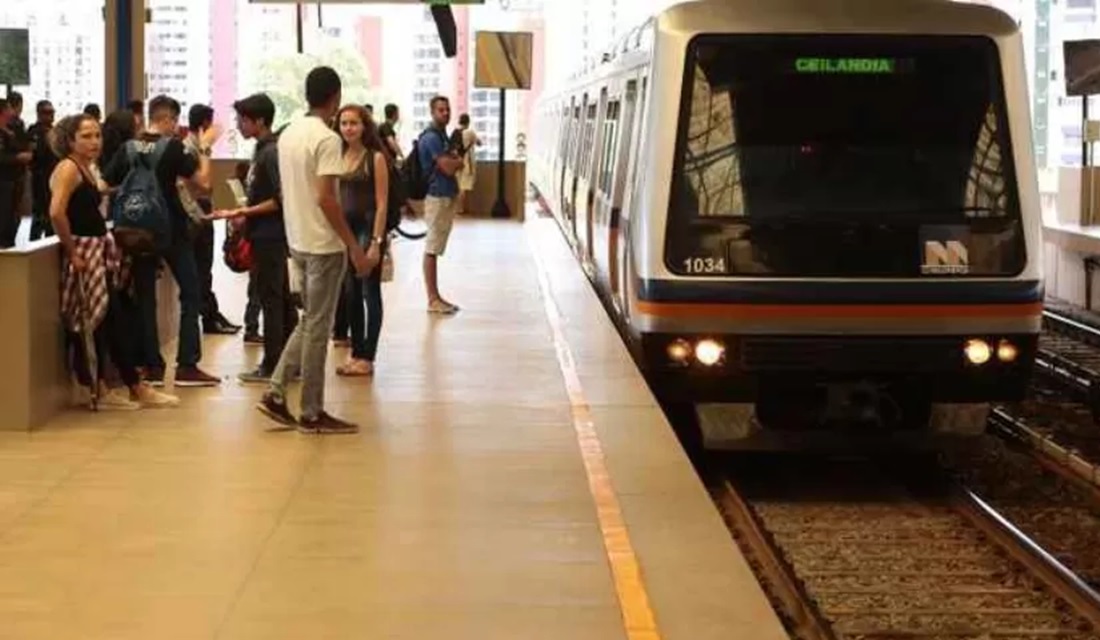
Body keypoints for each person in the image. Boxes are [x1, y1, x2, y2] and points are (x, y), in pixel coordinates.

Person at [256, 66, 371, 434]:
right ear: (335, 98)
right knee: (318, 328)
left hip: (298, 242)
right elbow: (326, 198)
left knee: (309, 322)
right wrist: (353, 246)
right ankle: (311, 411)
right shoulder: (326, 139)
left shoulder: (288, 135)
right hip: (323, 246)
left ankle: (275, 392)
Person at [48, 114, 178, 410]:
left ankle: (131, 385)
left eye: (97, 135)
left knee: (114, 318)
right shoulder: (68, 168)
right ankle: (104, 387)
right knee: (92, 323)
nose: (94, 142)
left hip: (96, 251)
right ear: (70, 140)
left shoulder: (87, 168)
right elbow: (57, 212)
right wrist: (73, 252)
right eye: (86, 136)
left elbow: (100, 191)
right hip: (84, 253)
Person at [102, 95, 222, 386]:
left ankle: (153, 366)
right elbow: (204, 184)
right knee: (191, 292)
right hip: (172, 230)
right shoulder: (174, 148)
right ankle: (187, 366)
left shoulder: (128, 148)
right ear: (169, 119)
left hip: (136, 231)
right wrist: (205, 148)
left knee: (145, 298)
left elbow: (103, 184)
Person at [214, 93, 299, 383]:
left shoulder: (270, 153)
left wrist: (245, 211)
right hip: (265, 234)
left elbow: (280, 199)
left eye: (243, 119)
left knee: (273, 300)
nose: (238, 124)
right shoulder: (263, 150)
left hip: (270, 237)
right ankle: (288, 362)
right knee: (278, 298)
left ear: (259, 121)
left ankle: (275, 363)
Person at [333, 104, 389, 377]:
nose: (348, 128)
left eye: (354, 123)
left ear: (364, 126)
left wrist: (377, 242)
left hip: (368, 229)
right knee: (351, 292)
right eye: (344, 123)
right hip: (345, 231)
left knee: (370, 291)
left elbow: (382, 203)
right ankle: (356, 353)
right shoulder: (337, 155)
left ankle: (368, 355)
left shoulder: (374, 159)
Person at [184, 103, 240, 335]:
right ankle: (209, 318)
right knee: (201, 269)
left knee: (205, 269)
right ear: (205, 124)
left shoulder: (197, 146)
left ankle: (211, 314)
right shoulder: (191, 149)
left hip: (202, 207)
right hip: (195, 211)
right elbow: (201, 183)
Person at [417, 95, 463, 314]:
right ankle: (432, 298)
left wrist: (454, 161)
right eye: (440, 110)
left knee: (435, 246)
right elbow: (447, 167)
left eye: (447, 109)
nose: (445, 113)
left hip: (444, 195)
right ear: (432, 112)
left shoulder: (442, 136)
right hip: (436, 196)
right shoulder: (432, 138)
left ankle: (435, 297)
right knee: (432, 248)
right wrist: (458, 162)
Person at [0, 98, 32, 249]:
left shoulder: (11, 129)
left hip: (15, 180)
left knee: (14, 218)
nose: (11, 112)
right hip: (4, 181)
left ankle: (9, 246)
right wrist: (18, 158)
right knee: (4, 219)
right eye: (8, 108)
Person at [28, 100, 58, 240]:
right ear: (39, 114)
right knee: (40, 214)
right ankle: (34, 242)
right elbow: (35, 155)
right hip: (40, 177)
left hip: (54, 177)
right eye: (47, 112)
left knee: (51, 213)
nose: (51, 115)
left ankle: (50, 239)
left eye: (52, 112)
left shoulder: (54, 131)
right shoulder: (35, 132)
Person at [454, 113, 481, 215]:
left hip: (456, 162)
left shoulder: (455, 132)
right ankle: (460, 209)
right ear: (468, 122)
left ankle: (455, 208)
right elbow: (479, 143)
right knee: (463, 187)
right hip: (466, 162)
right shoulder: (470, 132)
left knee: (457, 185)